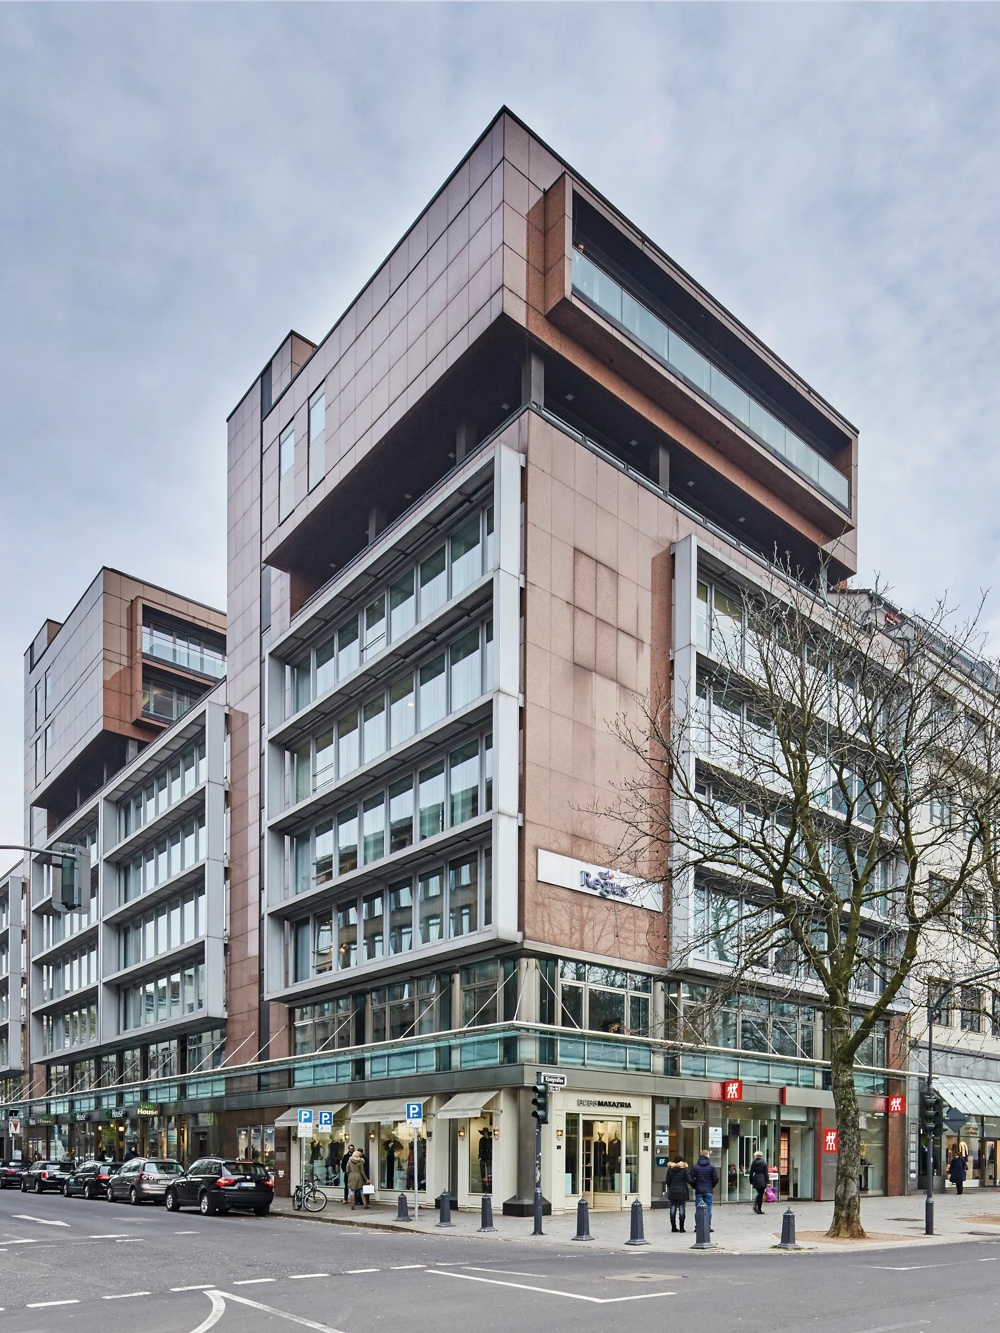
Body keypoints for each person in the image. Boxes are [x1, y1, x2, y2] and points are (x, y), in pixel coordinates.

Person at [688, 1150, 720, 1231]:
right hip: (708, 1190)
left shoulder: (695, 1167)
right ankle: (707, 1226)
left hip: (699, 1191)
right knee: (708, 1209)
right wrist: (711, 1186)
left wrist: (695, 1186)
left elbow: (690, 1179)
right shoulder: (711, 1167)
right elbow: (715, 1179)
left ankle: (698, 1226)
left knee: (698, 1209)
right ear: (707, 1156)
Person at [665, 1154, 689, 1233]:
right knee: (682, 1209)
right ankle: (682, 1228)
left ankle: (673, 1227)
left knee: (673, 1209)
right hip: (682, 1191)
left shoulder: (670, 1169)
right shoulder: (684, 1169)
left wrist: (671, 1186)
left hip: (673, 1191)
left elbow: (667, 1181)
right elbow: (688, 1179)